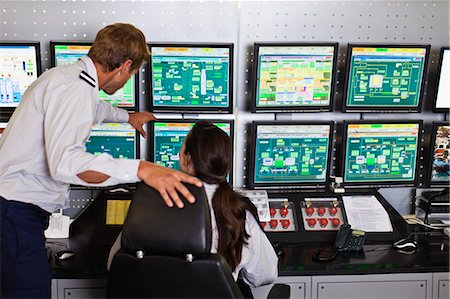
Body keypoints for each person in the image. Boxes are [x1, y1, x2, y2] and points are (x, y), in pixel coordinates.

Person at [0, 23, 201, 298]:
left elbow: (93, 109)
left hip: (13, 212)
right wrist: (141, 169)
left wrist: (127, 117)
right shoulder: (75, 89)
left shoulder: (68, 78)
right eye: (131, 74)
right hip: (15, 215)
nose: (127, 80)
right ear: (124, 66)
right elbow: (66, 165)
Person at [108, 121, 278, 288]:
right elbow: (266, 275)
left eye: (181, 150)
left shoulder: (148, 205)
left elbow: (114, 265)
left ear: (187, 159)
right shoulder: (238, 212)